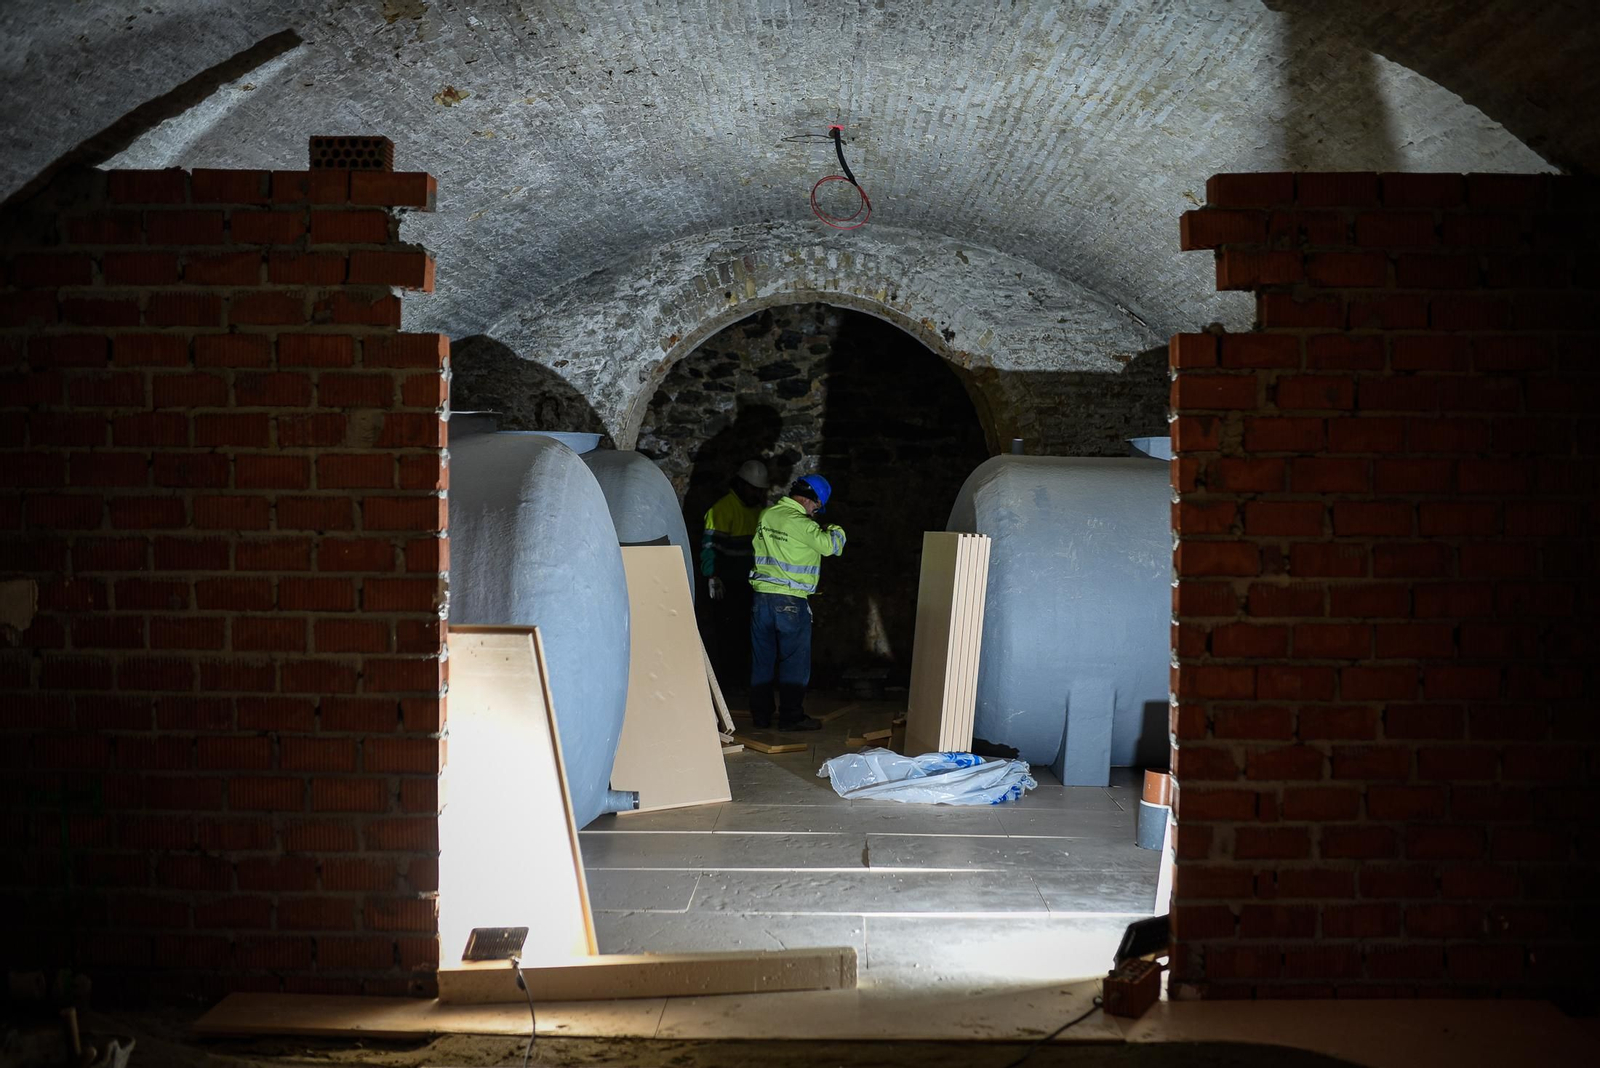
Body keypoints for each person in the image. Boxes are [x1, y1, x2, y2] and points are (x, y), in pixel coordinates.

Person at [748, 475, 846, 731]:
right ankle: (791, 717)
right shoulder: (803, 524)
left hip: (761, 600)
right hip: (790, 602)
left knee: (763, 660)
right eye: (816, 506)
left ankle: (761, 716)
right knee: (794, 661)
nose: (815, 512)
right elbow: (830, 547)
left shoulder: (767, 515)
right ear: (810, 499)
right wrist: (836, 529)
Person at [700, 459, 769, 688]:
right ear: (741, 484)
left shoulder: (759, 511)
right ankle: (731, 683)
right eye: (753, 489)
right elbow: (710, 547)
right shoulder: (721, 510)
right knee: (729, 636)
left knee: (749, 635)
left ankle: (746, 680)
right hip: (728, 584)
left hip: (753, 583)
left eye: (760, 490)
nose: (756, 494)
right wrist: (712, 576)